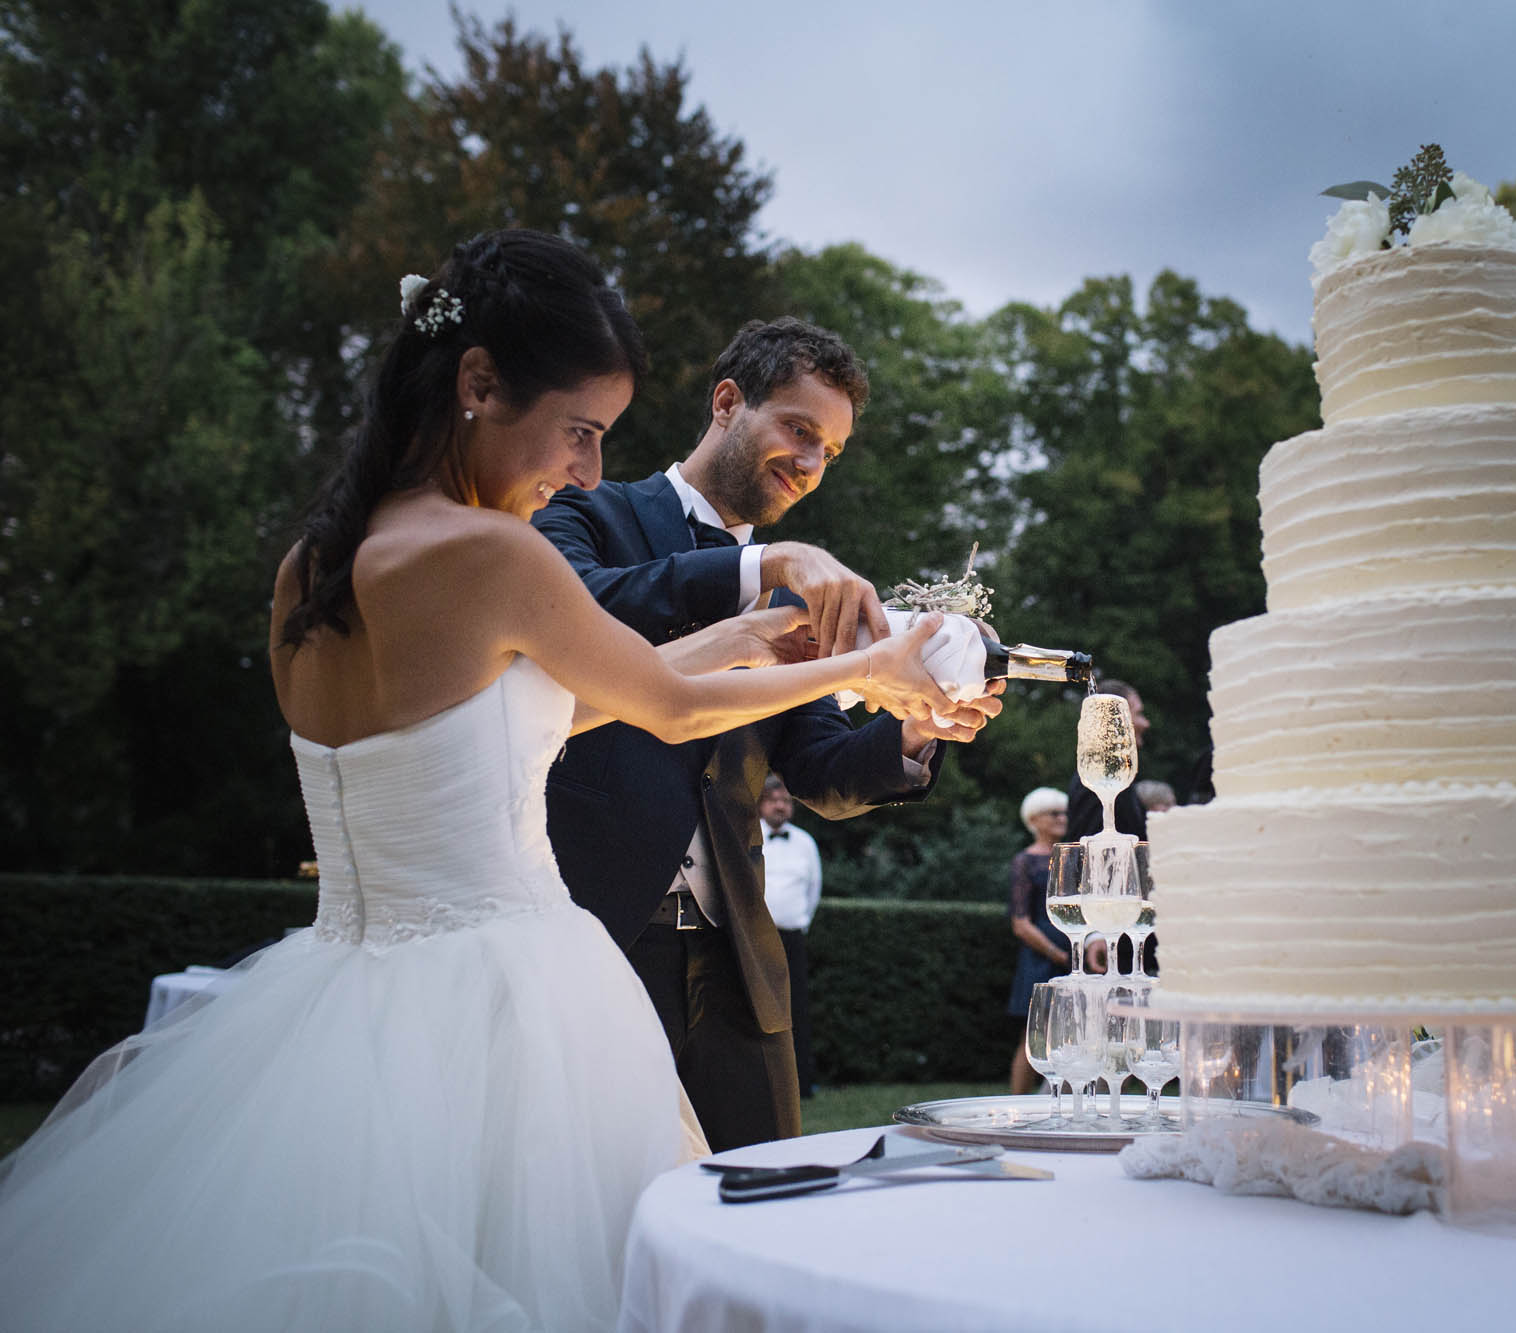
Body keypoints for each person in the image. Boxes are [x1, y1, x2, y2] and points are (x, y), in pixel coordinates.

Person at [0, 230, 955, 1329]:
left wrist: (758, 637)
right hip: (514, 1000)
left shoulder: (311, 566)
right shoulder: (493, 556)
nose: (585, 471)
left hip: (340, 1000)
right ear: (476, 384)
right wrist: (877, 664)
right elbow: (666, 707)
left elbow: (570, 704)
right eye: (579, 431)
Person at [533, 316, 1001, 1151]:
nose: (813, 464)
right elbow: (589, 614)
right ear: (726, 402)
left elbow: (818, 768)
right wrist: (758, 569)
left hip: (741, 970)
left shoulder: (803, 588)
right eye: (799, 429)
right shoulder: (585, 511)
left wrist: (911, 731)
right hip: (592, 940)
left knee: (763, 1208)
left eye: (831, 451)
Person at [758, 774, 822, 1095]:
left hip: (792, 939)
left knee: (796, 1008)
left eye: (785, 800)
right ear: (761, 803)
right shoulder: (747, 835)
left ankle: (801, 1083)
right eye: (774, 799)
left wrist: (800, 922)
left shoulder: (805, 843)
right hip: (755, 939)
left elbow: (814, 890)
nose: (780, 805)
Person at [1007, 786, 1071, 1093]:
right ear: (1035, 819)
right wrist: (1055, 953)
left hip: (1073, 954)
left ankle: (1057, 1097)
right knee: (1033, 1035)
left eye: (1064, 812)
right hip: (1040, 958)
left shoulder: (1073, 856)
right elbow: (1020, 922)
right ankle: (1018, 1105)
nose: (1062, 818)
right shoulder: (1025, 862)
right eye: (1054, 813)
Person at [1066, 678, 1151, 840]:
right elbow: (1091, 854)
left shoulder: (1112, 776)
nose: (1146, 723)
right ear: (1113, 720)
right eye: (1138, 714)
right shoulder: (1098, 781)